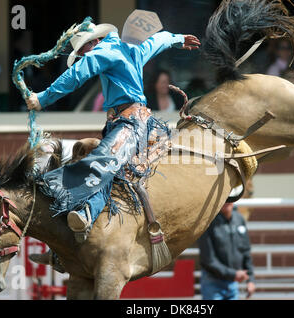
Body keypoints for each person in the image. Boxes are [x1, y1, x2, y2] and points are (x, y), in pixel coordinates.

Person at [26, 20, 200, 243]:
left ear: (94, 42)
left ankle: (65, 200)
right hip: (131, 122)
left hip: (131, 123)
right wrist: (178, 39)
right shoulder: (133, 49)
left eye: (82, 50)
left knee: (102, 161)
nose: (82, 55)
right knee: (109, 166)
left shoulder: (103, 52)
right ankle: (83, 217)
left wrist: (42, 98)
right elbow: (159, 39)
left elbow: (76, 75)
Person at [198, 202, 256, 300]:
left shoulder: (239, 219)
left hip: (232, 283)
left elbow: (245, 251)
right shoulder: (207, 222)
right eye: (224, 198)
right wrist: (234, 274)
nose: (227, 201)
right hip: (213, 282)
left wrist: (250, 279)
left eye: (230, 197)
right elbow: (208, 259)